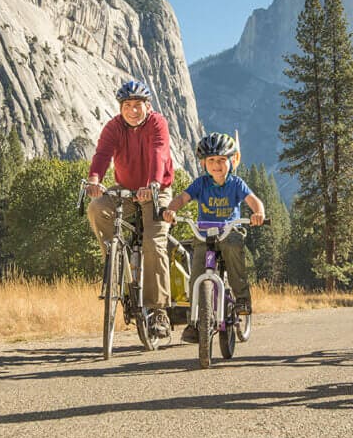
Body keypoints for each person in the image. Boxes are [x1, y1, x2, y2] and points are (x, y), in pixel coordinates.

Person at [86, 80, 173, 338]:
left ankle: (159, 312)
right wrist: (94, 181)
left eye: (137, 105)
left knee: (154, 243)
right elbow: (102, 155)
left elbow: (159, 152)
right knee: (96, 207)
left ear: (148, 106)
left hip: (156, 190)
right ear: (120, 107)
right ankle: (115, 262)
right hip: (124, 190)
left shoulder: (158, 123)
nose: (132, 110)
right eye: (127, 105)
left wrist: (154, 184)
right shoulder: (114, 127)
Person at [162, 132, 265, 344]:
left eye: (221, 160)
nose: (216, 165)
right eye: (211, 160)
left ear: (232, 160)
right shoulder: (201, 184)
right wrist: (171, 211)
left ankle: (242, 299)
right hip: (204, 234)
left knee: (233, 250)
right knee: (197, 273)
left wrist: (258, 214)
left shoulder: (236, 184)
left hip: (229, 232)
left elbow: (254, 201)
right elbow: (182, 198)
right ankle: (196, 320)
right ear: (203, 163)